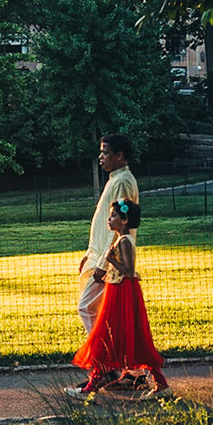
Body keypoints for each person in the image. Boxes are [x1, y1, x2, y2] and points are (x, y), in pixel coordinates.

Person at [69, 199, 169, 397]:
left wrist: (111, 260)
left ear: (124, 220)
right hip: (117, 289)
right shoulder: (120, 240)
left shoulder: (124, 241)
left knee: (111, 334)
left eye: (114, 215)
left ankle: (93, 385)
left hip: (123, 292)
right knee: (118, 335)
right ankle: (159, 382)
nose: (109, 219)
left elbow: (129, 271)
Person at [78, 134, 140, 335]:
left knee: (87, 308)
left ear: (119, 155)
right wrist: (89, 254)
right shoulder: (116, 180)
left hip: (110, 262)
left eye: (105, 152)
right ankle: (115, 360)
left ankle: (103, 358)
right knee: (102, 312)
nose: (101, 157)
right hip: (99, 257)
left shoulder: (122, 182)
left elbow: (120, 225)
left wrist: (104, 264)